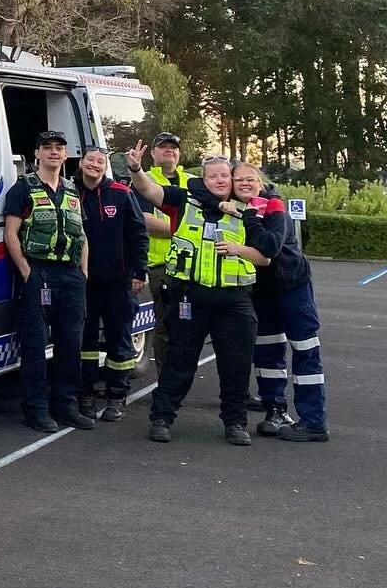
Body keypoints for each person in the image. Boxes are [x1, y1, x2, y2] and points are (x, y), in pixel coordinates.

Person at [125, 145, 272, 445]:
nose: (219, 180)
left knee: (236, 365)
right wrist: (136, 169)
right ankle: (162, 418)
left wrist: (239, 248)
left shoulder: (248, 210)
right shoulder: (184, 200)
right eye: (212, 176)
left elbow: (265, 256)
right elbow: (149, 191)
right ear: (203, 180)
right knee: (179, 362)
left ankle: (235, 423)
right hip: (189, 298)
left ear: (232, 180)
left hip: (234, 300)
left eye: (224, 176)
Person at [2, 130, 95, 433]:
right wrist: (26, 271)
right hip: (39, 273)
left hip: (71, 275)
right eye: (48, 147)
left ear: (66, 154)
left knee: (71, 343)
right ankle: (37, 410)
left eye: (59, 148)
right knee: (36, 345)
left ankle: (66, 406)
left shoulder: (71, 190)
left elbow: (81, 235)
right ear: (37, 153)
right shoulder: (23, 188)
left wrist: (83, 272)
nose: (54, 152)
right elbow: (11, 234)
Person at [233, 162, 329, 441]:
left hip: (292, 286)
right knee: (267, 353)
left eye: (250, 179)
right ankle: (274, 411)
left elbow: (269, 248)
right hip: (262, 291)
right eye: (238, 180)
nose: (245, 184)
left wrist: (249, 217)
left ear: (260, 182)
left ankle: (313, 422)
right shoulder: (232, 206)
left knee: (304, 349)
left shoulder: (273, 206)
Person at [75, 147, 149, 422]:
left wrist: (139, 271)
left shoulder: (121, 193)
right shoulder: (70, 193)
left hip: (119, 282)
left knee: (119, 341)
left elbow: (138, 233)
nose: (94, 165)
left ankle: (116, 397)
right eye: (90, 160)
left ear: (104, 166)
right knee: (85, 343)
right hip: (83, 283)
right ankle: (85, 394)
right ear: (81, 162)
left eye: (100, 161)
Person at [144, 133, 193, 371]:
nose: (169, 150)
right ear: (153, 153)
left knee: (189, 325)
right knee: (164, 327)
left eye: (173, 147)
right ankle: (166, 379)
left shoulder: (193, 182)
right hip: (160, 266)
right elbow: (145, 220)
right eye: (163, 147)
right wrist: (183, 232)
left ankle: (183, 375)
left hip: (192, 267)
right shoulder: (144, 180)